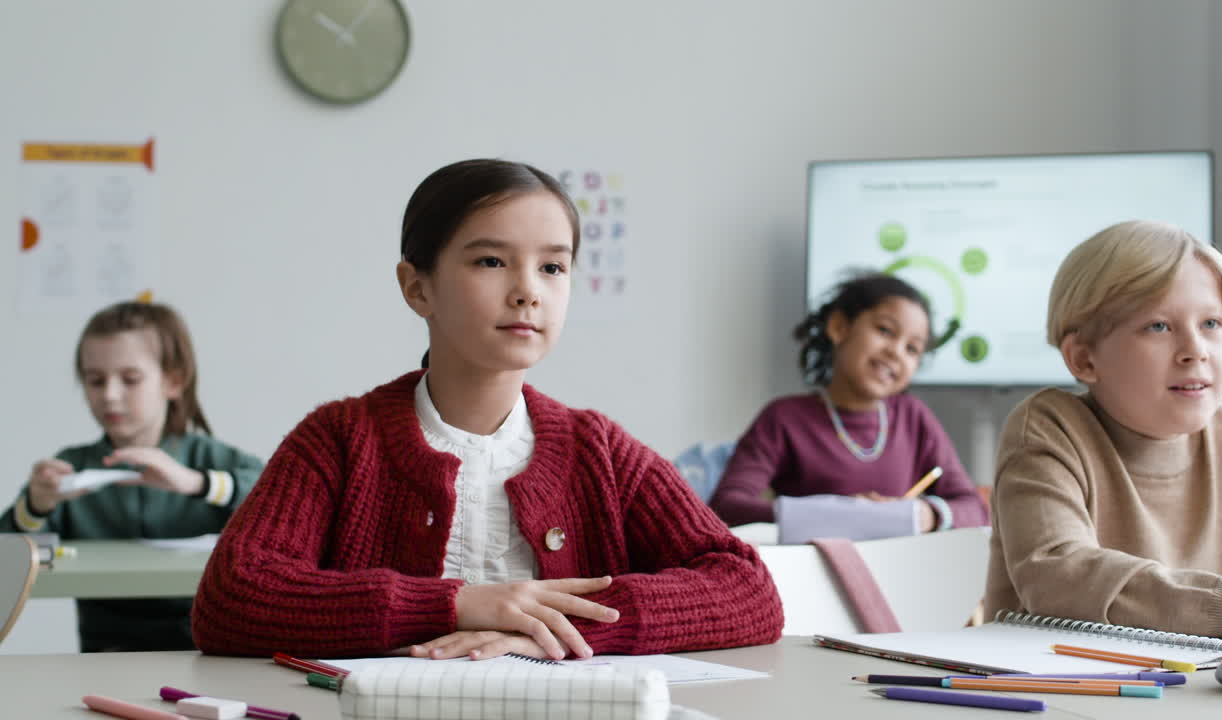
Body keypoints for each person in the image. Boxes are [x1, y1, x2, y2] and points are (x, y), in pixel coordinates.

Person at [191, 159, 783, 660]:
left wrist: (558, 625)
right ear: (417, 287)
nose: (529, 289)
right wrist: (457, 604)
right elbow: (232, 597)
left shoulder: (598, 449)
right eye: (491, 262)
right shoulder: (340, 439)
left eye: (553, 266)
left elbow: (749, 590)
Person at [985, 220, 1222, 637]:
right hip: (1055, 687)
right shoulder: (1048, 431)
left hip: (1192, 691)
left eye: (1211, 324)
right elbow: (1058, 577)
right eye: (1158, 326)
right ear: (1085, 359)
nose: (1195, 350)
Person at [1, 301, 263, 651]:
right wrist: (35, 504)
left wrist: (196, 483)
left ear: (173, 381)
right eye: (95, 381)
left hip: (204, 648)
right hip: (104, 652)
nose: (109, 395)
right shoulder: (69, 468)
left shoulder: (212, 459)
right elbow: (8, 554)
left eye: (130, 379)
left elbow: (283, 504)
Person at [709, 272, 988, 542]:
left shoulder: (913, 417)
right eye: (885, 330)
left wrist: (926, 514)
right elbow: (727, 507)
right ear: (840, 327)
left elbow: (974, 509)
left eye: (912, 349)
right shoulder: (783, 418)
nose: (896, 352)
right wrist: (838, 514)